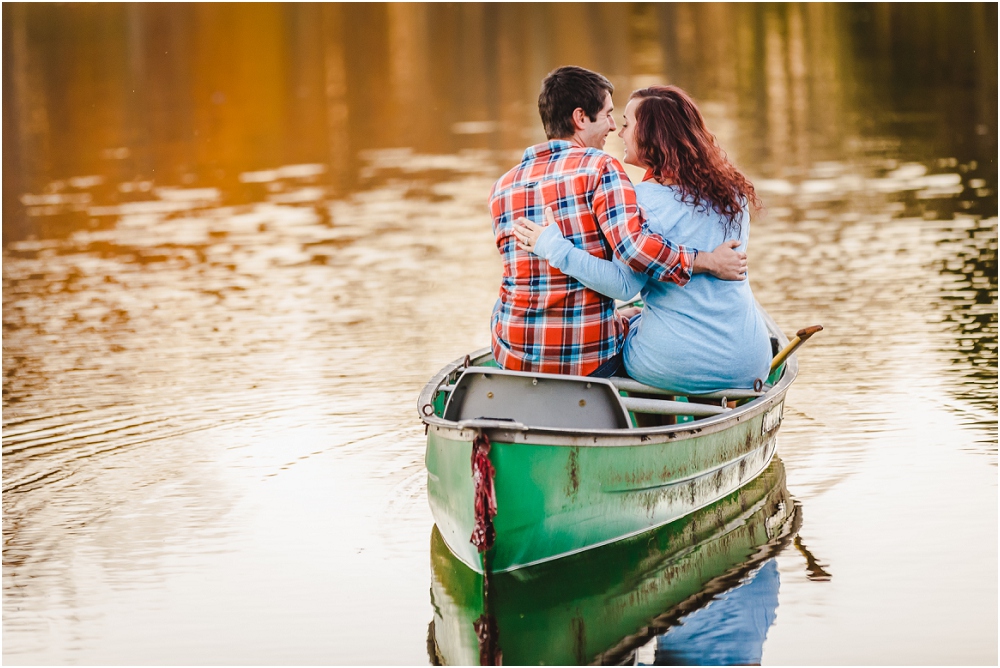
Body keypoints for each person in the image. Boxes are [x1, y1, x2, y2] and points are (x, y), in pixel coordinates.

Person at [489, 66, 747, 379]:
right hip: (586, 361)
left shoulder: (502, 186)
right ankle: (658, 425)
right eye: (610, 115)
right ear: (580, 118)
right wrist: (707, 261)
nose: (614, 127)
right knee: (638, 338)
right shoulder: (601, 168)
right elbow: (634, 250)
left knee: (633, 319)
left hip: (512, 354)